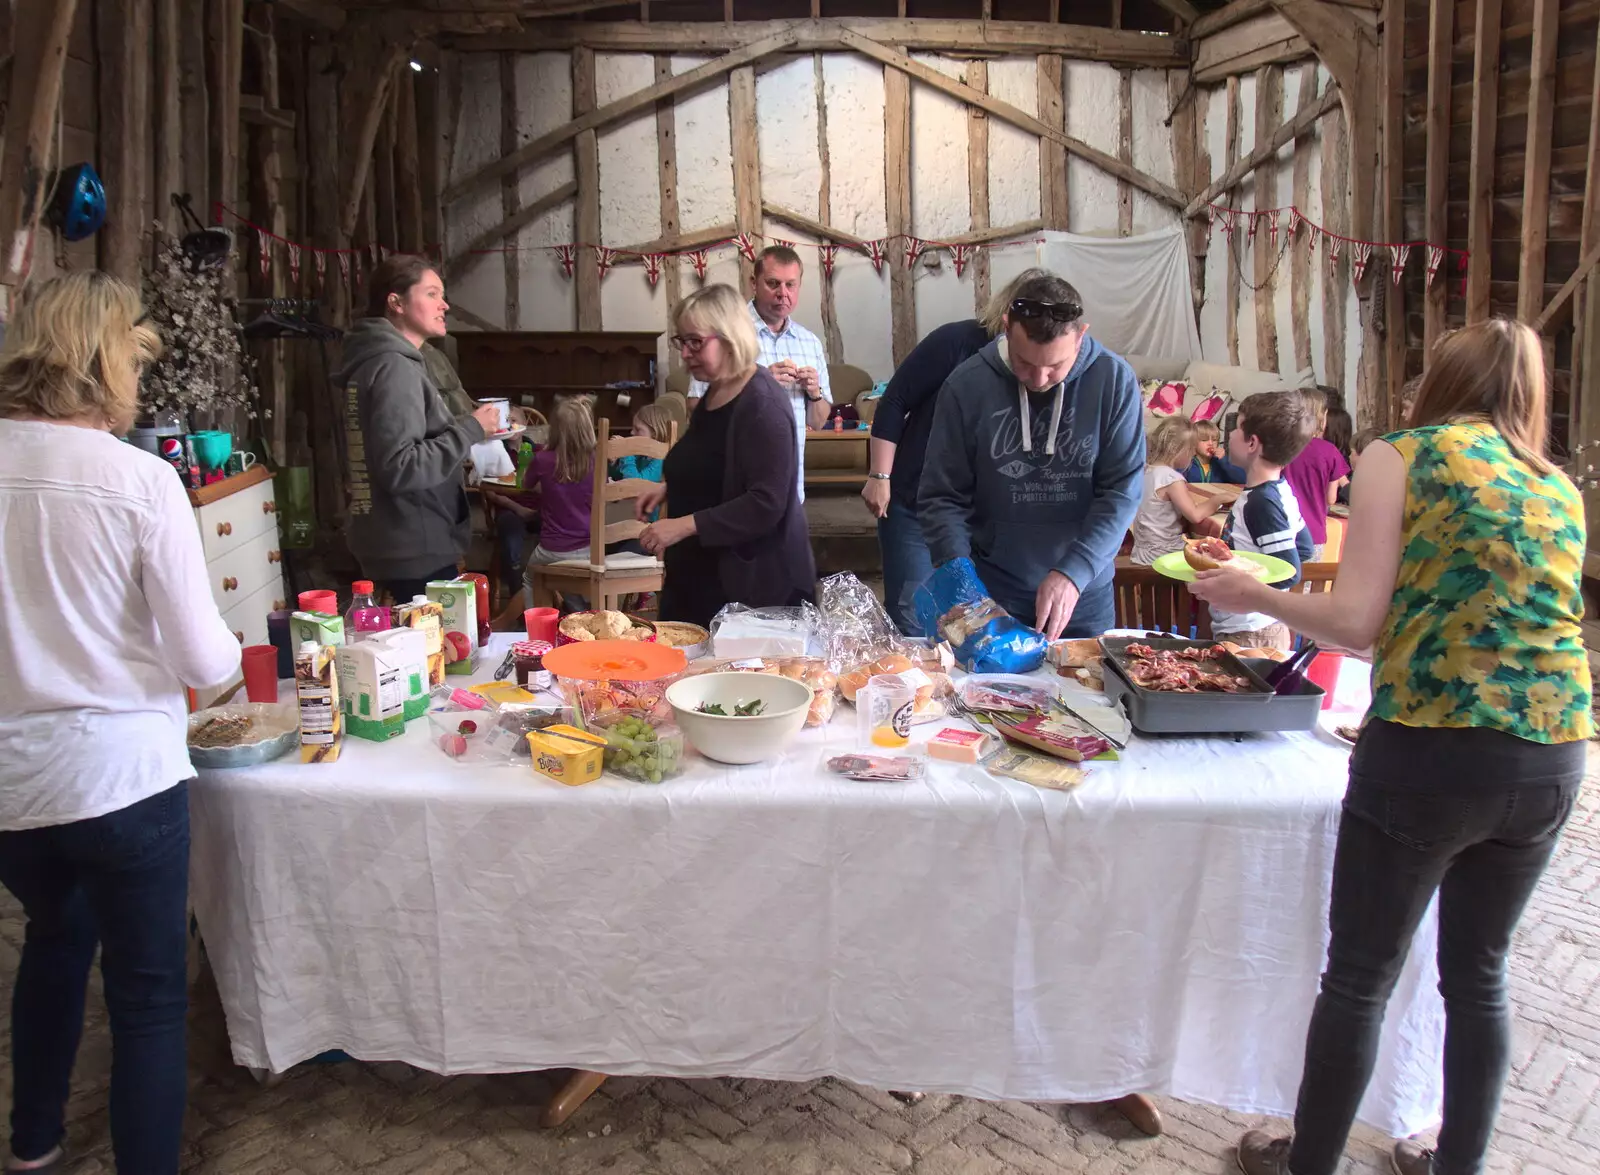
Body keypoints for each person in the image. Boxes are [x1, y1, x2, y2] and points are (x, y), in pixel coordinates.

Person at [1194, 319, 1593, 1175]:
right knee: (1479, 975)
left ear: (1439, 379)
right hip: (1555, 752)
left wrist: (1242, 590)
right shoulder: (1557, 483)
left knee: (1360, 977)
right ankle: (1458, 1163)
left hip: (1433, 752)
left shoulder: (1400, 455)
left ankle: (1312, 1164)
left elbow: (1357, 622)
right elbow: (1410, 624)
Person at [0, 272, 242, 1174]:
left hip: (14, 783)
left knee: (53, 942)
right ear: (105, 361)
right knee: (145, 1000)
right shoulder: (140, 479)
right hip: (123, 783)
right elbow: (205, 661)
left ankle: (32, 1142)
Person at [918, 271, 1145, 640]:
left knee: (1086, 695)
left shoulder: (1114, 380)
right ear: (1006, 327)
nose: (1039, 380)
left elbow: (1122, 492)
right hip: (991, 591)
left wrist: (1075, 571)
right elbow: (942, 496)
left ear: (1081, 335)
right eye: (1025, 363)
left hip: (1082, 593)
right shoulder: (966, 386)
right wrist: (958, 574)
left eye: (1055, 366)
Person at [863, 268, 1048, 635]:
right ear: (1008, 317)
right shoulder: (957, 341)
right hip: (914, 504)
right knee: (912, 615)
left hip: (980, 518)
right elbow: (895, 400)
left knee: (971, 624)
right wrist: (879, 476)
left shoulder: (1042, 369)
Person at [639, 284, 816, 628]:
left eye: (696, 342)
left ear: (730, 337)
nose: (685, 353)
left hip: (751, 593)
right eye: (681, 342)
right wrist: (669, 486)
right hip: (702, 579)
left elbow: (766, 502)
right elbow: (707, 457)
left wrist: (683, 525)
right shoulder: (716, 391)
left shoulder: (762, 405)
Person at [337, 256, 499, 604]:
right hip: (414, 545)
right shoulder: (395, 368)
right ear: (396, 303)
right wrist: (471, 429)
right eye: (431, 293)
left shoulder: (374, 363)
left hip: (393, 538)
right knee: (440, 655)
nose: (445, 304)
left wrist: (458, 430)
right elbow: (401, 465)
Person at [688, 246, 830, 502]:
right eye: (773, 283)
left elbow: (818, 422)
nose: (782, 294)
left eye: (790, 285)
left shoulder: (810, 342)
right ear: (754, 283)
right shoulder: (723, 334)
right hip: (731, 492)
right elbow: (696, 410)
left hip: (789, 492)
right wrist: (756, 383)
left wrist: (815, 394)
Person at [1207, 391, 1315, 652]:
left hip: (1252, 633)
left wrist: (1238, 575)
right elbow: (1304, 547)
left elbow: (1290, 571)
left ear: (1252, 443)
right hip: (1253, 627)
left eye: (1235, 428)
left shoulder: (1262, 503)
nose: (1229, 434)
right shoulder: (1279, 491)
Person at [1130, 417, 1222, 564]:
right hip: (1164, 554)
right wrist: (1218, 499)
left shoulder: (1147, 471)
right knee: (1210, 557)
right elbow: (1195, 516)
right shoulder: (1171, 479)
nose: (1193, 454)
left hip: (1141, 552)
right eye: (1191, 449)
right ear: (1177, 449)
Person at [1283, 387, 1351, 561]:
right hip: (1313, 533)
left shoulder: (1281, 446)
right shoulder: (1329, 451)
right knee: (1306, 586)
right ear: (1323, 415)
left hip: (1280, 527)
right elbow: (1331, 499)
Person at [1184, 418, 1245, 483]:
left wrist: (1224, 461)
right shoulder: (1187, 464)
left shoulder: (1221, 464)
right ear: (1193, 443)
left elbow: (1242, 480)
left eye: (1214, 440)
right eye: (1204, 440)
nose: (1210, 443)